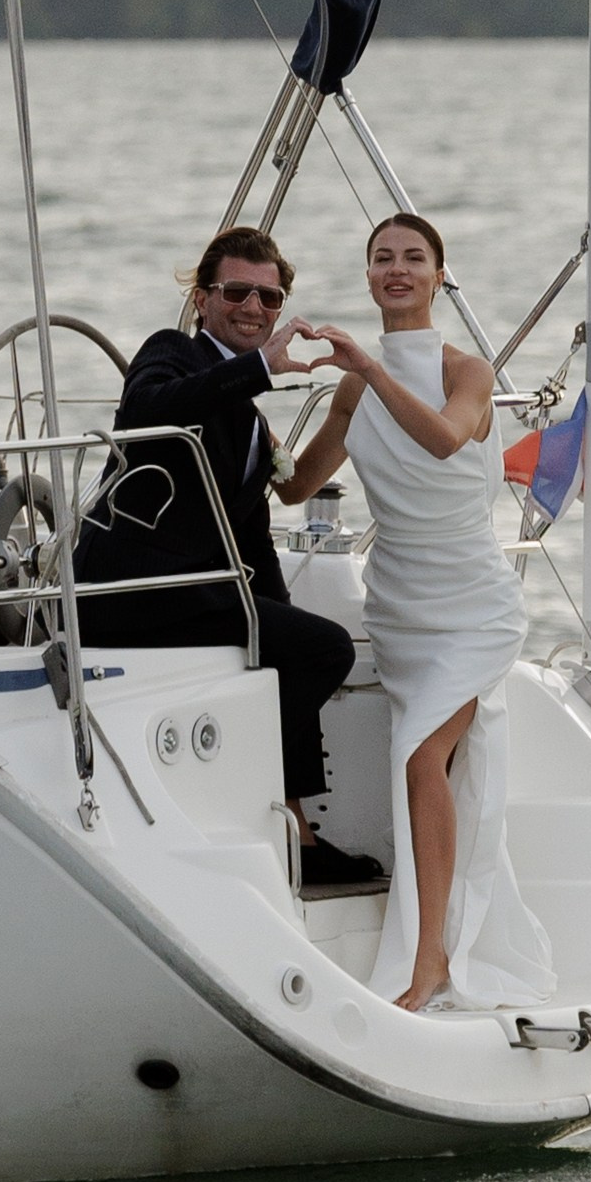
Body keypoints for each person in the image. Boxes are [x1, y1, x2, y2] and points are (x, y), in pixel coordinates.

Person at [277, 213, 555, 1013]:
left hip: (470, 605)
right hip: (398, 604)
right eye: (382, 259)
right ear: (368, 277)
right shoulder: (353, 388)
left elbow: (441, 439)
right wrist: (248, 423)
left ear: (439, 276)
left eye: (414, 258)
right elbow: (297, 487)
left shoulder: (468, 373)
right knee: (428, 765)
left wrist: (366, 359)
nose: (397, 270)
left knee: (419, 762)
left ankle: (431, 961)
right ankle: (438, 940)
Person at [75, 225, 383, 890]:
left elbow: (249, 534)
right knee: (320, 650)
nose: (253, 308)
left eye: (269, 299)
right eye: (237, 291)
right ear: (202, 298)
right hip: (131, 591)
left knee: (305, 646)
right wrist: (259, 369)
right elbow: (143, 410)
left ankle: (297, 832)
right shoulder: (174, 355)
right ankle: (259, 807)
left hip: (197, 593)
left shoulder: (245, 415)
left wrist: (275, 613)